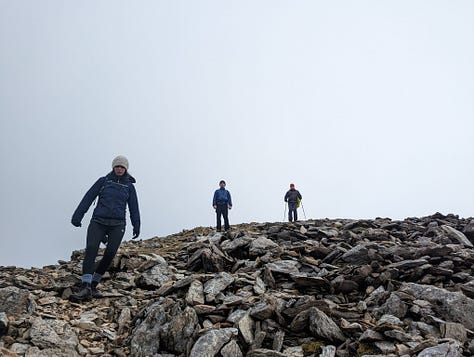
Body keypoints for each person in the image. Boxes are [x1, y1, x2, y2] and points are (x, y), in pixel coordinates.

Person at [70, 155, 140, 302]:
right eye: (117, 166)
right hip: (98, 222)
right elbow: (88, 197)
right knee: (91, 249)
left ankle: (94, 284)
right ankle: (85, 286)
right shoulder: (103, 181)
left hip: (118, 224)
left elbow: (134, 207)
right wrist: (77, 216)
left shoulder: (129, 187)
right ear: (113, 167)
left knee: (110, 254)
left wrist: (136, 224)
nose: (119, 169)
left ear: (126, 169)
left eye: (122, 167)